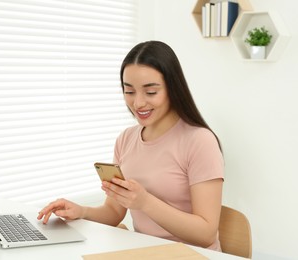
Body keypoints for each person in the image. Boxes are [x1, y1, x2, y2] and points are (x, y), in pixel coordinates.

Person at [37, 40, 224, 251]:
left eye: (150, 92)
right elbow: (114, 211)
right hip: (146, 253)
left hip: (191, 255)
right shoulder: (126, 139)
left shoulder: (200, 141)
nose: (138, 103)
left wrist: (145, 202)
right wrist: (82, 212)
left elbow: (206, 233)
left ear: (173, 88)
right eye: (129, 91)